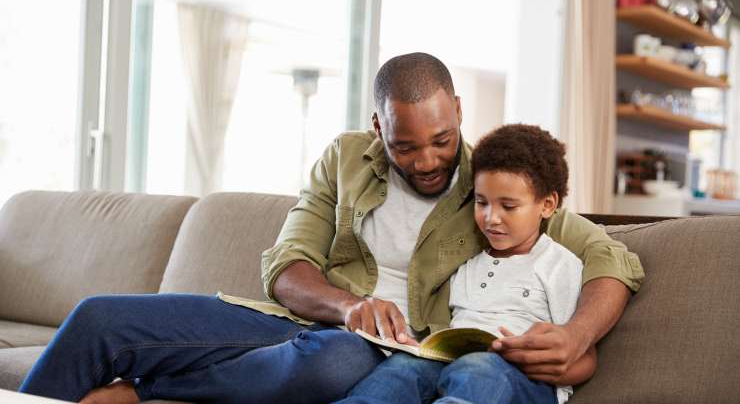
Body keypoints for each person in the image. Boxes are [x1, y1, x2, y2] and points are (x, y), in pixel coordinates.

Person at [19, 52, 643, 403]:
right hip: (307, 323)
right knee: (100, 317)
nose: (426, 161)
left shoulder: (495, 188)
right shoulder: (344, 160)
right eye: (405, 145)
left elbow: (612, 259)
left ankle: (149, 391)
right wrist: (348, 305)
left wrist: (578, 336)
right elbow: (286, 266)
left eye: (441, 140)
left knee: (338, 367)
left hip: (387, 353)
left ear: (458, 112)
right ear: (376, 127)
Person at [338, 124, 594, 404]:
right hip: (453, 364)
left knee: (479, 369)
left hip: (521, 380)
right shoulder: (467, 263)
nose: (491, 217)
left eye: (508, 207)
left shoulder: (559, 264)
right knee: (402, 369)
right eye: (482, 202)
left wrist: (545, 365)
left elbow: (586, 358)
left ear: (546, 205)